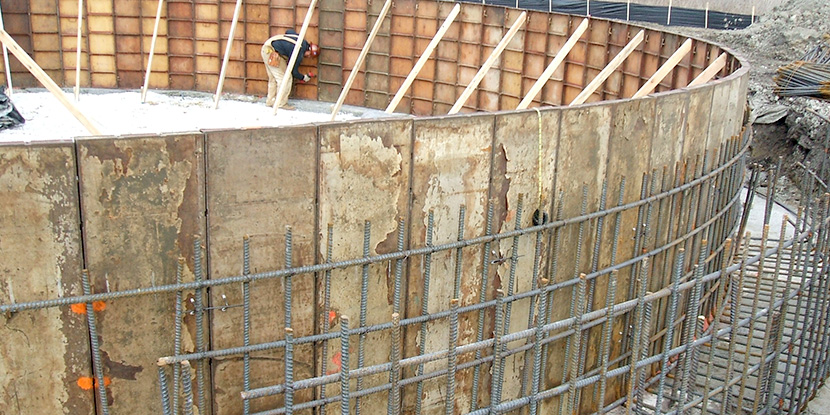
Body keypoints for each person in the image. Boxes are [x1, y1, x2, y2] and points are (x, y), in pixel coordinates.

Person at [261, 29, 319, 109]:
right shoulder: (299, 52)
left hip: (267, 48)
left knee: (273, 78)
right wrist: (303, 78)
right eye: (309, 55)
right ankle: (281, 104)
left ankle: (270, 101)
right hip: (272, 53)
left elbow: (288, 31)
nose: (308, 57)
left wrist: (284, 47)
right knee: (285, 79)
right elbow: (293, 71)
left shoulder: (301, 39)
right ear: (309, 51)